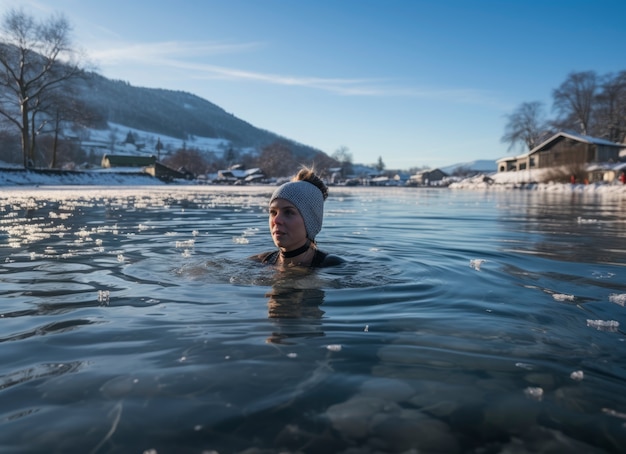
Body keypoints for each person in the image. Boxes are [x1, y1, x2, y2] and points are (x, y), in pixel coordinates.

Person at [251, 167, 343, 268]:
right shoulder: (260, 262)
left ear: (311, 221)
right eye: (273, 212)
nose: (276, 220)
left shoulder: (332, 266)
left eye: (288, 212)